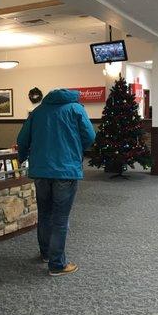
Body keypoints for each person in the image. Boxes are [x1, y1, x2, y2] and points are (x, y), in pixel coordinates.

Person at [17, 89, 95, 277]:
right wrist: (76, 149)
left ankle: (45, 253)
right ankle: (57, 264)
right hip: (66, 171)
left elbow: (22, 140)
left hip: (41, 172)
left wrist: (22, 159)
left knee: (44, 214)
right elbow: (90, 137)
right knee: (60, 218)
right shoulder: (76, 109)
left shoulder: (37, 112)